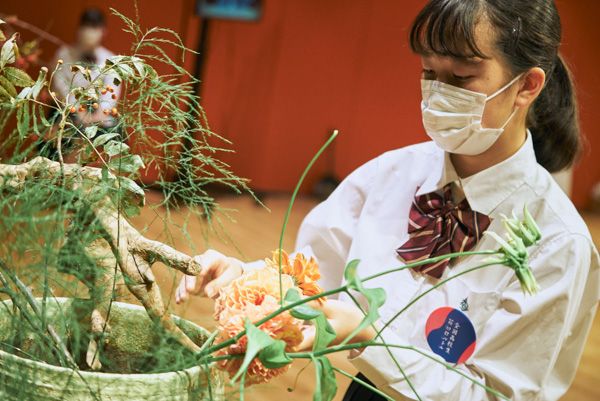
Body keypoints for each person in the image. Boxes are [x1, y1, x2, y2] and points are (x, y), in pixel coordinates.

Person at [175, 0, 600, 399]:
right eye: (429, 73)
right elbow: (314, 277)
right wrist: (250, 283)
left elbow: (495, 393)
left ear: (526, 84)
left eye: (461, 78)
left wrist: (368, 336)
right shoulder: (393, 173)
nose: (438, 93)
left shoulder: (557, 242)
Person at [42, 7, 121, 161]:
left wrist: (99, 113)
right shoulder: (64, 54)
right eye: (86, 26)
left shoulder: (109, 59)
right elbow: (60, 87)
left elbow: (112, 94)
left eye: (94, 27)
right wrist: (77, 110)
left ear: (104, 31)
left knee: (116, 134)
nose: (89, 32)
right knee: (61, 132)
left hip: (99, 114)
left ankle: (106, 175)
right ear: (79, 29)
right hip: (68, 110)